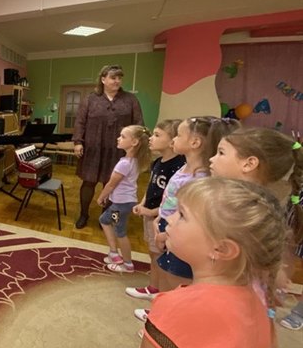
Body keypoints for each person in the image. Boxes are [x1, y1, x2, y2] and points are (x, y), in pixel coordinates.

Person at [118, 178, 289, 348]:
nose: (169, 218)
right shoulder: (256, 299)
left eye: (182, 215)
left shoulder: (182, 309)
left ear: (222, 248)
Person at [209, 127, 303, 330]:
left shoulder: (253, 213)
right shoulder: (234, 201)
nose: (212, 159)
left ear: (249, 164)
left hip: (236, 302)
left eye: (221, 153)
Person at [151, 116, 240, 294]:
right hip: (168, 225)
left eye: (178, 135)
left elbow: (192, 217)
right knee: (165, 270)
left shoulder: (199, 180)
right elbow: (171, 199)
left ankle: (169, 307)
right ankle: (161, 301)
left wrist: (166, 233)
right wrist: (160, 217)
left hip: (180, 232)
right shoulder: (184, 167)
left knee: (176, 280)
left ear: (195, 142)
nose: (174, 139)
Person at [72, 65, 143, 229]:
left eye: (119, 78)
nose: (117, 81)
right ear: (103, 79)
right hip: (93, 148)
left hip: (118, 150)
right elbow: (80, 122)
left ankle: (104, 217)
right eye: (113, 77)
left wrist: (136, 147)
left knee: (111, 184)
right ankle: (83, 214)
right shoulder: (90, 99)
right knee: (88, 182)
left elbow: (139, 124)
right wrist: (78, 142)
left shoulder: (130, 100)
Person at [126, 119, 185, 299]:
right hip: (150, 214)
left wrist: (152, 212)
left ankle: (160, 292)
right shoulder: (158, 162)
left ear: (172, 141)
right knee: (153, 253)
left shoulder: (178, 166)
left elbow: (175, 200)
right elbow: (151, 186)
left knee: (161, 256)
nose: (151, 138)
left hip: (163, 218)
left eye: (157, 135)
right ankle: (154, 287)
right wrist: (143, 204)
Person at [97, 125, 151, 273]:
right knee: (104, 220)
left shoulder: (124, 164)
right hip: (124, 203)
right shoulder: (133, 161)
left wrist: (101, 197)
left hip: (121, 205)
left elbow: (111, 184)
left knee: (119, 231)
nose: (118, 138)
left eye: (123, 136)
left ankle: (127, 264)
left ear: (134, 142)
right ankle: (114, 253)